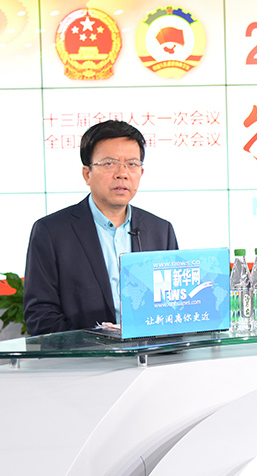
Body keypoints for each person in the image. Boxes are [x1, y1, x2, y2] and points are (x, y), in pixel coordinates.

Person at [24, 120, 178, 335]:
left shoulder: (161, 230)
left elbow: (173, 304)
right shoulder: (51, 232)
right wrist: (96, 344)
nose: (122, 173)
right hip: (85, 354)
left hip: (149, 352)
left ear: (141, 173)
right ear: (87, 174)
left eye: (132, 164)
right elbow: (40, 315)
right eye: (109, 163)